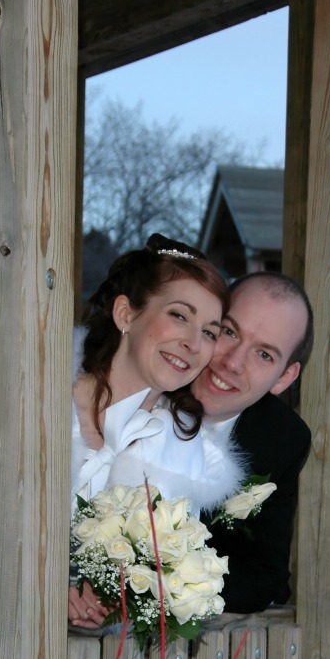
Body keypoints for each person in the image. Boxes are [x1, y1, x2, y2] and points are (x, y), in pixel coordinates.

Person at [69, 234, 245, 627]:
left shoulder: (185, 452)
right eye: (179, 316)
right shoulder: (41, 402)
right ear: (126, 315)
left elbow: (166, 587)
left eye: (210, 332)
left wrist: (114, 599)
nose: (192, 343)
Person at [192, 272, 314, 614]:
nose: (232, 362)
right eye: (229, 332)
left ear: (285, 377)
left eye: (264, 355)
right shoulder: (142, 389)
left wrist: (167, 587)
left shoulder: (281, 438)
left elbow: (265, 575)